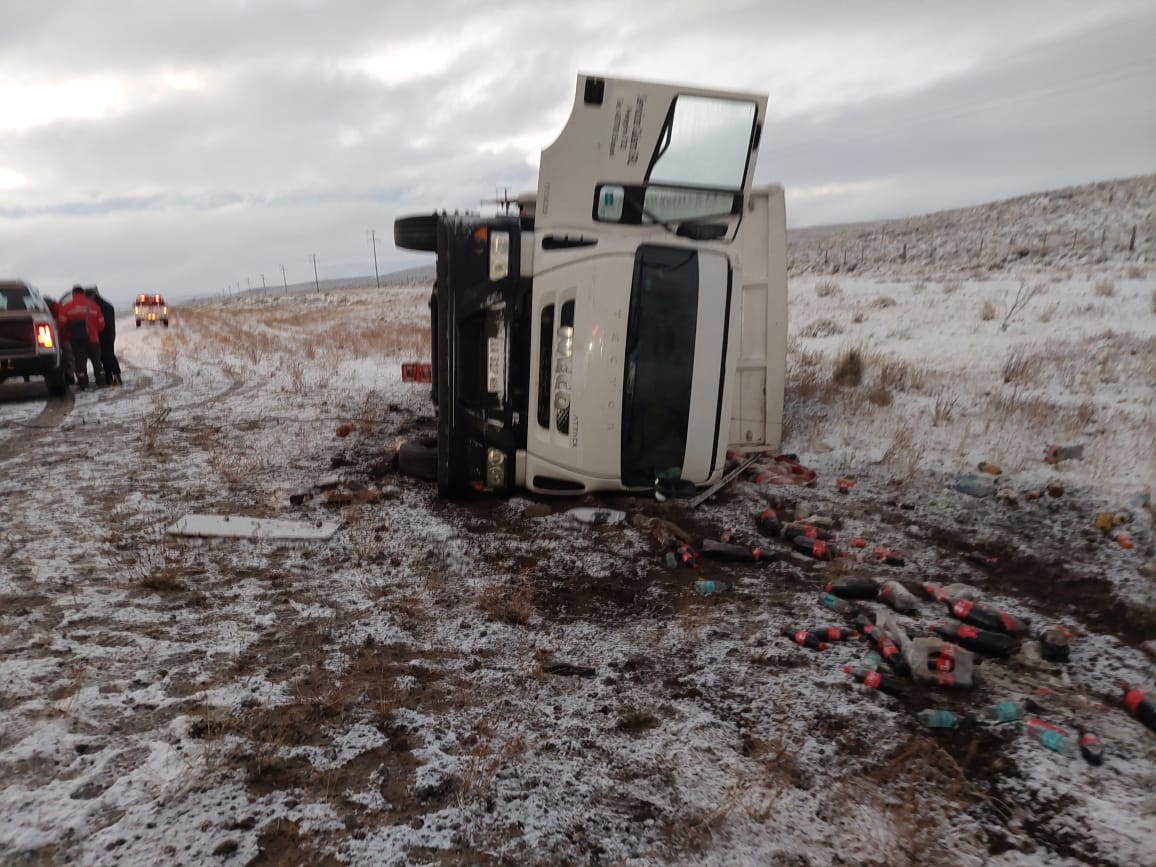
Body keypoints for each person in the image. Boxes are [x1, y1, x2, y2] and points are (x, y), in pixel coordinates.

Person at [60, 284, 105, 388]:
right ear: (83, 293)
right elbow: (101, 324)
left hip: (76, 340)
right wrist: (94, 331)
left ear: (73, 294)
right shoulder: (94, 305)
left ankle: (83, 383)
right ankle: (101, 381)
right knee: (97, 362)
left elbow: (62, 324)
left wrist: (68, 335)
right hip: (93, 339)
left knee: (80, 363)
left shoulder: (67, 306)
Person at [86, 286, 122, 385]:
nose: (86, 300)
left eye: (87, 298)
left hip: (103, 334)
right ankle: (111, 376)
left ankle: (114, 375)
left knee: (107, 355)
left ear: (92, 296)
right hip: (109, 334)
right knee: (107, 355)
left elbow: (104, 322)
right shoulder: (106, 304)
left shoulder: (99, 306)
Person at [45, 297, 76, 385]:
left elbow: (61, 325)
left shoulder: (56, 310)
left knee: (67, 357)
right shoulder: (59, 308)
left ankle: (70, 377)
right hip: (64, 337)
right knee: (68, 357)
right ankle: (70, 376)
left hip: (63, 338)